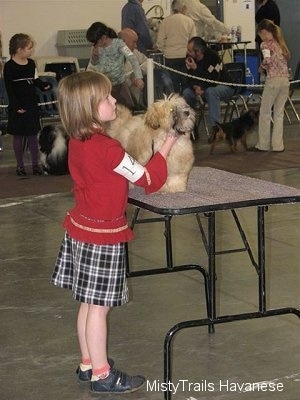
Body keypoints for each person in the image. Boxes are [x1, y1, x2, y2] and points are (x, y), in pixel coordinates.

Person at [51, 70, 178, 394]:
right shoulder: (107, 148)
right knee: (99, 309)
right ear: (90, 108)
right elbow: (148, 179)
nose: (114, 101)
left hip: (80, 228)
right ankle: (102, 374)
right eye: (107, 98)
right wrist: (166, 146)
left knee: (87, 303)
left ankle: (87, 363)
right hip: (102, 236)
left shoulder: (79, 141)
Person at [3, 33, 52, 176]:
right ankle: (20, 166)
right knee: (18, 136)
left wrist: (43, 86)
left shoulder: (31, 63)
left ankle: (35, 165)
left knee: (32, 135)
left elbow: (35, 80)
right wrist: (17, 106)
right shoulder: (9, 67)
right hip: (17, 105)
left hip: (31, 104)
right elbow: (9, 89)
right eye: (29, 48)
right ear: (19, 50)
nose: (31, 50)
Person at [248, 19, 290, 153]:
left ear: (263, 32)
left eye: (261, 34)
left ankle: (263, 145)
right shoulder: (280, 43)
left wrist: (261, 67)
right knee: (278, 114)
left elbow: (267, 61)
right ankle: (278, 146)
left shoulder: (264, 45)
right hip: (285, 81)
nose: (261, 37)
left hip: (272, 81)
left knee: (265, 113)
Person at [182, 36, 235, 134]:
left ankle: (215, 128)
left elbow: (213, 78)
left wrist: (196, 70)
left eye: (190, 50)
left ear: (198, 51)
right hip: (200, 87)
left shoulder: (213, 57)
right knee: (186, 93)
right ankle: (191, 126)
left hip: (223, 85)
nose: (187, 53)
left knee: (211, 91)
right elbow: (187, 79)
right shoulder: (190, 59)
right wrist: (195, 87)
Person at [86, 21, 144, 110]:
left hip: (120, 84)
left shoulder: (119, 44)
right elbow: (93, 65)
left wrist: (138, 77)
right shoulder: (96, 47)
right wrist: (94, 57)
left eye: (96, 42)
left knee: (128, 108)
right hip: (105, 85)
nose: (95, 45)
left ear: (103, 38)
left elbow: (133, 59)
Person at [119, 28, 174, 107]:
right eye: (133, 42)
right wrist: (131, 77)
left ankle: (167, 103)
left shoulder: (134, 52)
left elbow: (150, 63)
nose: (136, 46)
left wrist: (137, 73)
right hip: (126, 93)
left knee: (161, 73)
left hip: (140, 91)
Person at [155, 0, 196, 93]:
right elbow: (193, 41)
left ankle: (176, 103)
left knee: (173, 83)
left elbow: (160, 42)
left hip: (170, 57)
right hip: (185, 56)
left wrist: (164, 50)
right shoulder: (189, 21)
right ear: (183, 8)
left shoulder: (165, 21)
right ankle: (187, 102)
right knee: (186, 82)